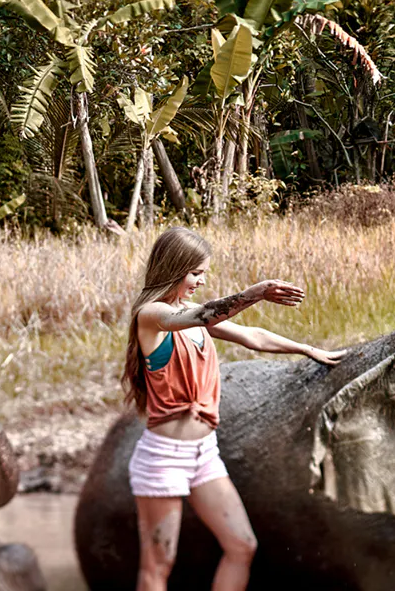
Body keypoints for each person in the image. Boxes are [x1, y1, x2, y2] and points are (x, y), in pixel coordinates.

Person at [121, 226, 348, 591]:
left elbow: (251, 335)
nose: (201, 280)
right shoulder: (153, 315)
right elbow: (206, 317)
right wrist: (254, 293)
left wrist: (307, 349)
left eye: (204, 272)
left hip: (203, 453)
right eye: (195, 273)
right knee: (158, 564)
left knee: (242, 545)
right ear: (174, 268)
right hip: (164, 457)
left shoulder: (189, 315)